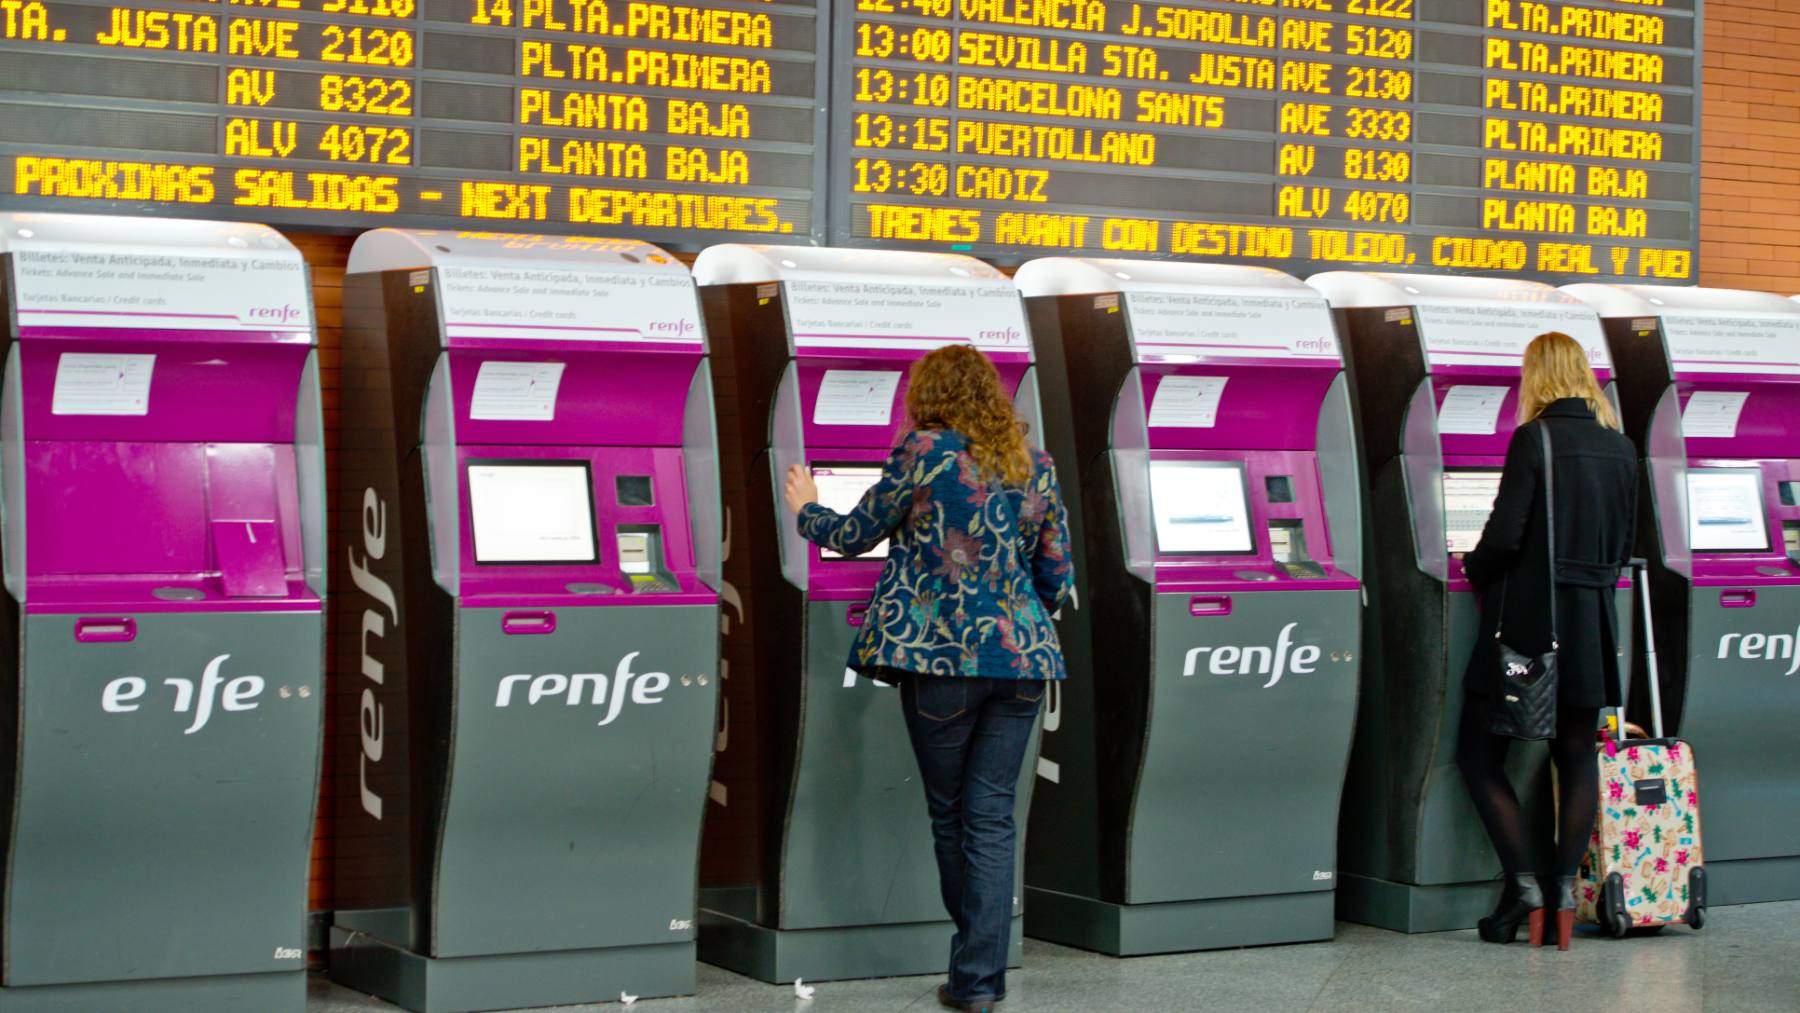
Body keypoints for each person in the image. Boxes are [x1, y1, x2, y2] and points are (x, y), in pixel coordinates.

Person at [782, 344, 1073, 1013]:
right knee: (993, 818)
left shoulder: (925, 450)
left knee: (952, 814)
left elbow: (856, 533)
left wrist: (807, 507)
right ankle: (978, 977)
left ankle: (974, 971)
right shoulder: (1035, 462)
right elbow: (1056, 573)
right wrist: (1017, 611)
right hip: (1022, 659)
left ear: (930, 394)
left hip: (942, 658)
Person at [1456, 331, 1638, 951]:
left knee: (1479, 754)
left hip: (1530, 628)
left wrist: (1471, 569)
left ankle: (1523, 887)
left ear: (1537, 378)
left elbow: (1506, 533)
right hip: (1591, 622)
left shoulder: (1534, 439)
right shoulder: (1620, 447)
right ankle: (1562, 894)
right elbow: (1621, 545)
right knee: (1577, 754)